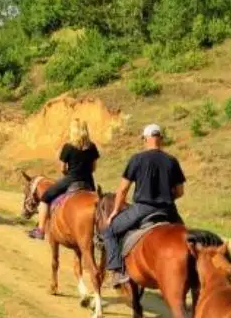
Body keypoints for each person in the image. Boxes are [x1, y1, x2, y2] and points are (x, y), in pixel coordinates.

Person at [102, 123, 186, 286]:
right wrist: (166, 198)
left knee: (109, 231)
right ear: (160, 139)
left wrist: (114, 213)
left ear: (145, 139)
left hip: (142, 209)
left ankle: (117, 271)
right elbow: (180, 191)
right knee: (188, 239)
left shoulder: (137, 159)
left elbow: (123, 190)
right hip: (168, 210)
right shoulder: (171, 161)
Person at [28, 119, 100, 240]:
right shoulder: (92, 147)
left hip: (71, 179)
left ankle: (40, 230)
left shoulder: (68, 147)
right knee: (99, 203)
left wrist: (68, 173)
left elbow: (62, 168)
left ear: (73, 131)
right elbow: (93, 168)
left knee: (45, 198)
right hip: (88, 182)